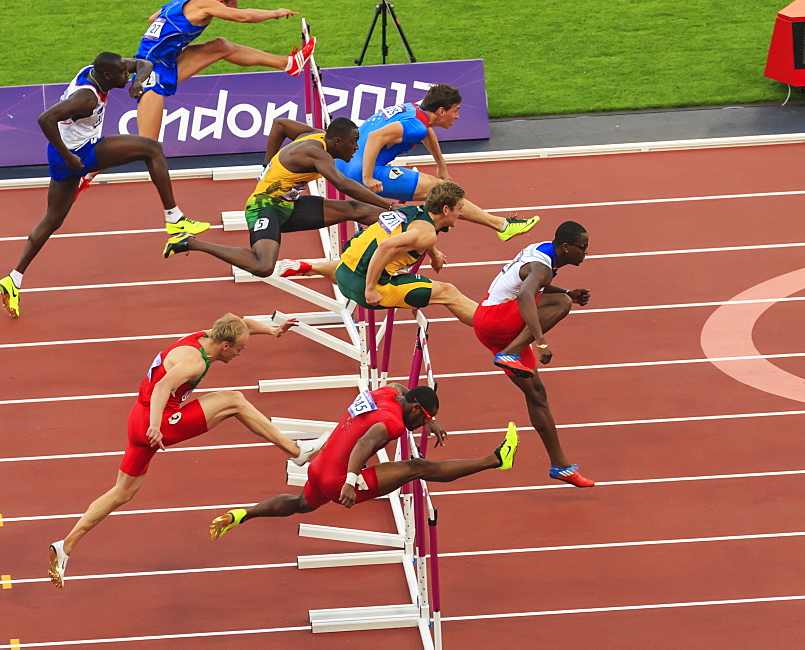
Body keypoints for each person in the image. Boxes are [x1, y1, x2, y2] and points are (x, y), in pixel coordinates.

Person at [47, 313, 324, 588]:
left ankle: (65, 546)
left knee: (122, 492)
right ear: (225, 346)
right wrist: (156, 427)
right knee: (235, 401)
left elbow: (245, 323)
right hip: (158, 423)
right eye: (241, 348)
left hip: (137, 419)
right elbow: (161, 387)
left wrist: (273, 330)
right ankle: (295, 451)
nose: (241, 353)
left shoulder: (205, 336)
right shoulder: (193, 362)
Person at [0, 52, 208, 319]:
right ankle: (174, 218)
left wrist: (137, 81)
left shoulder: (97, 70)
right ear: (108, 76)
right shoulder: (86, 98)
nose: (127, 74)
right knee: (152, 149)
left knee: (53, 219)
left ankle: (13, 278)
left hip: (65, 154)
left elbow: (145, 64)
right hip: (79, 154)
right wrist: (69, 156)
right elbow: (45, 119)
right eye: (123, 74)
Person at [207, 384, 518, 538]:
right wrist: (350, 481)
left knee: (302, 503)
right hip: (339, 479)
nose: (422, 426)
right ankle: (496, 459)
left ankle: (242, 515)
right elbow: (365, 443)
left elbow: (399, 388)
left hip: (319, 468)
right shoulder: (393, 424)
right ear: (413, 410)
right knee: (418, 468)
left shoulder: (386, 394)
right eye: (422, 421)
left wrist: (430, 418)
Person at [162, 117, 400, 277]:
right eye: (353, 143)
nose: (356, 148)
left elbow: (280, 125)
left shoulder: (316, 135)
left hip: (289, 205)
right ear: (337, 142)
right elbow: (343, 183)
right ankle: (190, 242)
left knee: (356, 209)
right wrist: (387, 203)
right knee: (263, 266)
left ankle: (407, 227)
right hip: (264, 208)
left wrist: (267, 163)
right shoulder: (316, 152)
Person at [472, 221, 595, 487]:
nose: (586, 254)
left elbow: (534, 284)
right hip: (495, 319)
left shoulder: (544, 254)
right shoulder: (542, 265)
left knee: (537, 394)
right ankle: (511, 353)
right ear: (566, 247)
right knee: (561, 305)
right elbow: (527, 294)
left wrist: (566, 292)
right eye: (582, 248)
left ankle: (560, 466)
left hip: (494, 328)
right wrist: (540, 341)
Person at [336, 84, 539, 242]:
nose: (458, 116)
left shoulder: (416, 111)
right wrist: (368, 177)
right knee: (442, 191)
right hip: (360, 172)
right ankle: (502, 226)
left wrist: (441, 165)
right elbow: (375, 137)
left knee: (440, 187)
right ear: (441, 110)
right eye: (456, 110)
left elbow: (426, 131)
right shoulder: (416, 126)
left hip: (343, 163)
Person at [277, 181, 479, 322]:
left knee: (360, 258)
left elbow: (420, 234)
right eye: (459, 208)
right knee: (448, 292)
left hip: (341, 273)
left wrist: (433, 253)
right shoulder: (426, 234)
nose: (461, 213)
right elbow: (386, 247)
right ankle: (490, 324)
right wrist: (371, 288)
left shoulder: (411, 211)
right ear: (445, 209)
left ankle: (311, 267)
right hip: (366, 291)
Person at [134, 0, 312, 140]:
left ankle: (288, 63)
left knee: (220, 46)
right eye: (234, 4)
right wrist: (275, 13)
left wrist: (172, 40)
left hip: (167, 60)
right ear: (220, 3)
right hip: (151, 70)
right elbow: (244, 16)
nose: (236, 7)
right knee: (148, 144)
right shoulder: (206, 5)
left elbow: (153, 18)